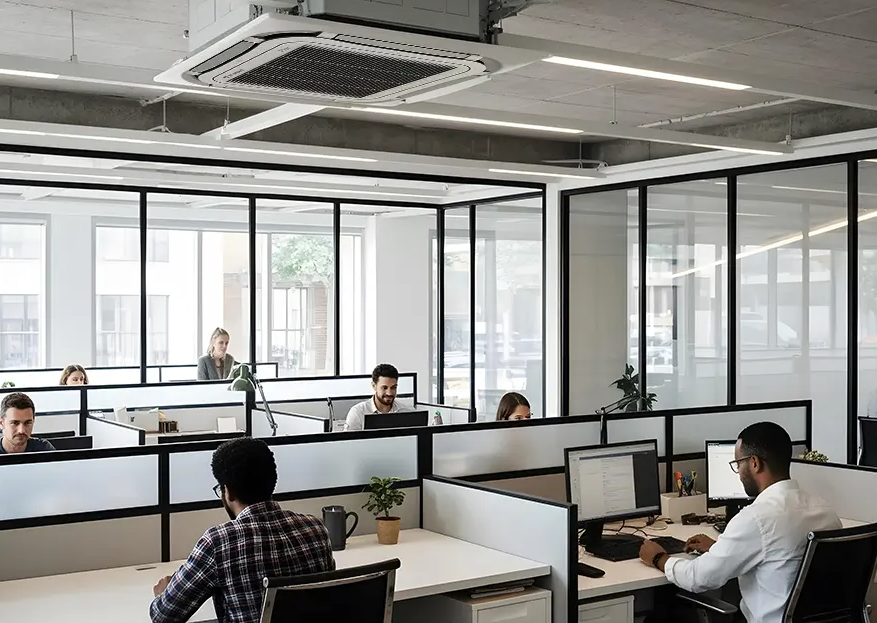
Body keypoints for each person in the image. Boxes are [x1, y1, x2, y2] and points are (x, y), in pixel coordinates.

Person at [638, 422, 841, 623]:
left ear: (754, 463)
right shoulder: (826, 512)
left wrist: (659, 558)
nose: (739, 473)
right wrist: (721, 548)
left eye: (738, 464)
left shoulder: (756, 518)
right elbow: (778, 555)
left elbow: (697, 578)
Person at [149, 437, 334, 623]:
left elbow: (163, 616)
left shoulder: (218, 543)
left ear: (227, 491)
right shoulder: (316, 529)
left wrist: (163, 592)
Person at [344, 363, 412, 431]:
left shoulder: (406, 411)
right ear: (374, 386)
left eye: (393, 387)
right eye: (384, 388)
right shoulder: (358, 413)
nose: (389, 393)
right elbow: (349, 438)